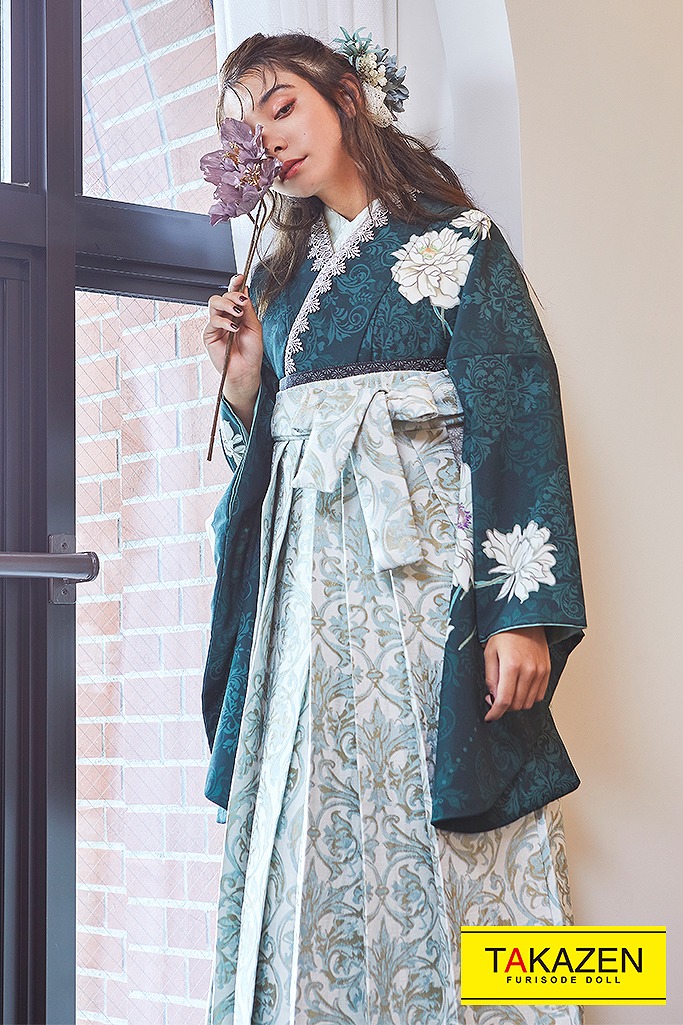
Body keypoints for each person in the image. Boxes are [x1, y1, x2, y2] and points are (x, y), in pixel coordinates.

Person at [201, 28, 587, 1025]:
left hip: (422, 592)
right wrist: (244, 391)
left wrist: (519, 613)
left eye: (281, 105)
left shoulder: (458, 243)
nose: (266, 137)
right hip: (306, 611)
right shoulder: (279, 286)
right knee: (309, 807)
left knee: (450, 815)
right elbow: (270, 470)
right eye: (248, 124)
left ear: (346, 95)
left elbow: (513, 410)